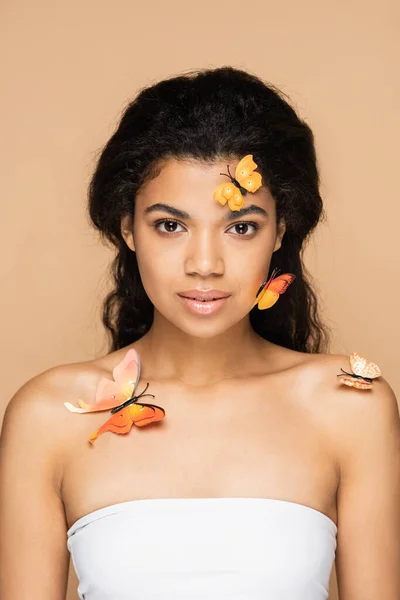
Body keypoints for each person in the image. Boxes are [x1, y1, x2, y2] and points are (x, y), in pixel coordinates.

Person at [0, 66, 399, 600]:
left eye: (240, 227)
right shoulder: (47, 417)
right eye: (171, 225)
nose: (205, 263)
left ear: (279, 231)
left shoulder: (349, 406)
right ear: (128, 228)